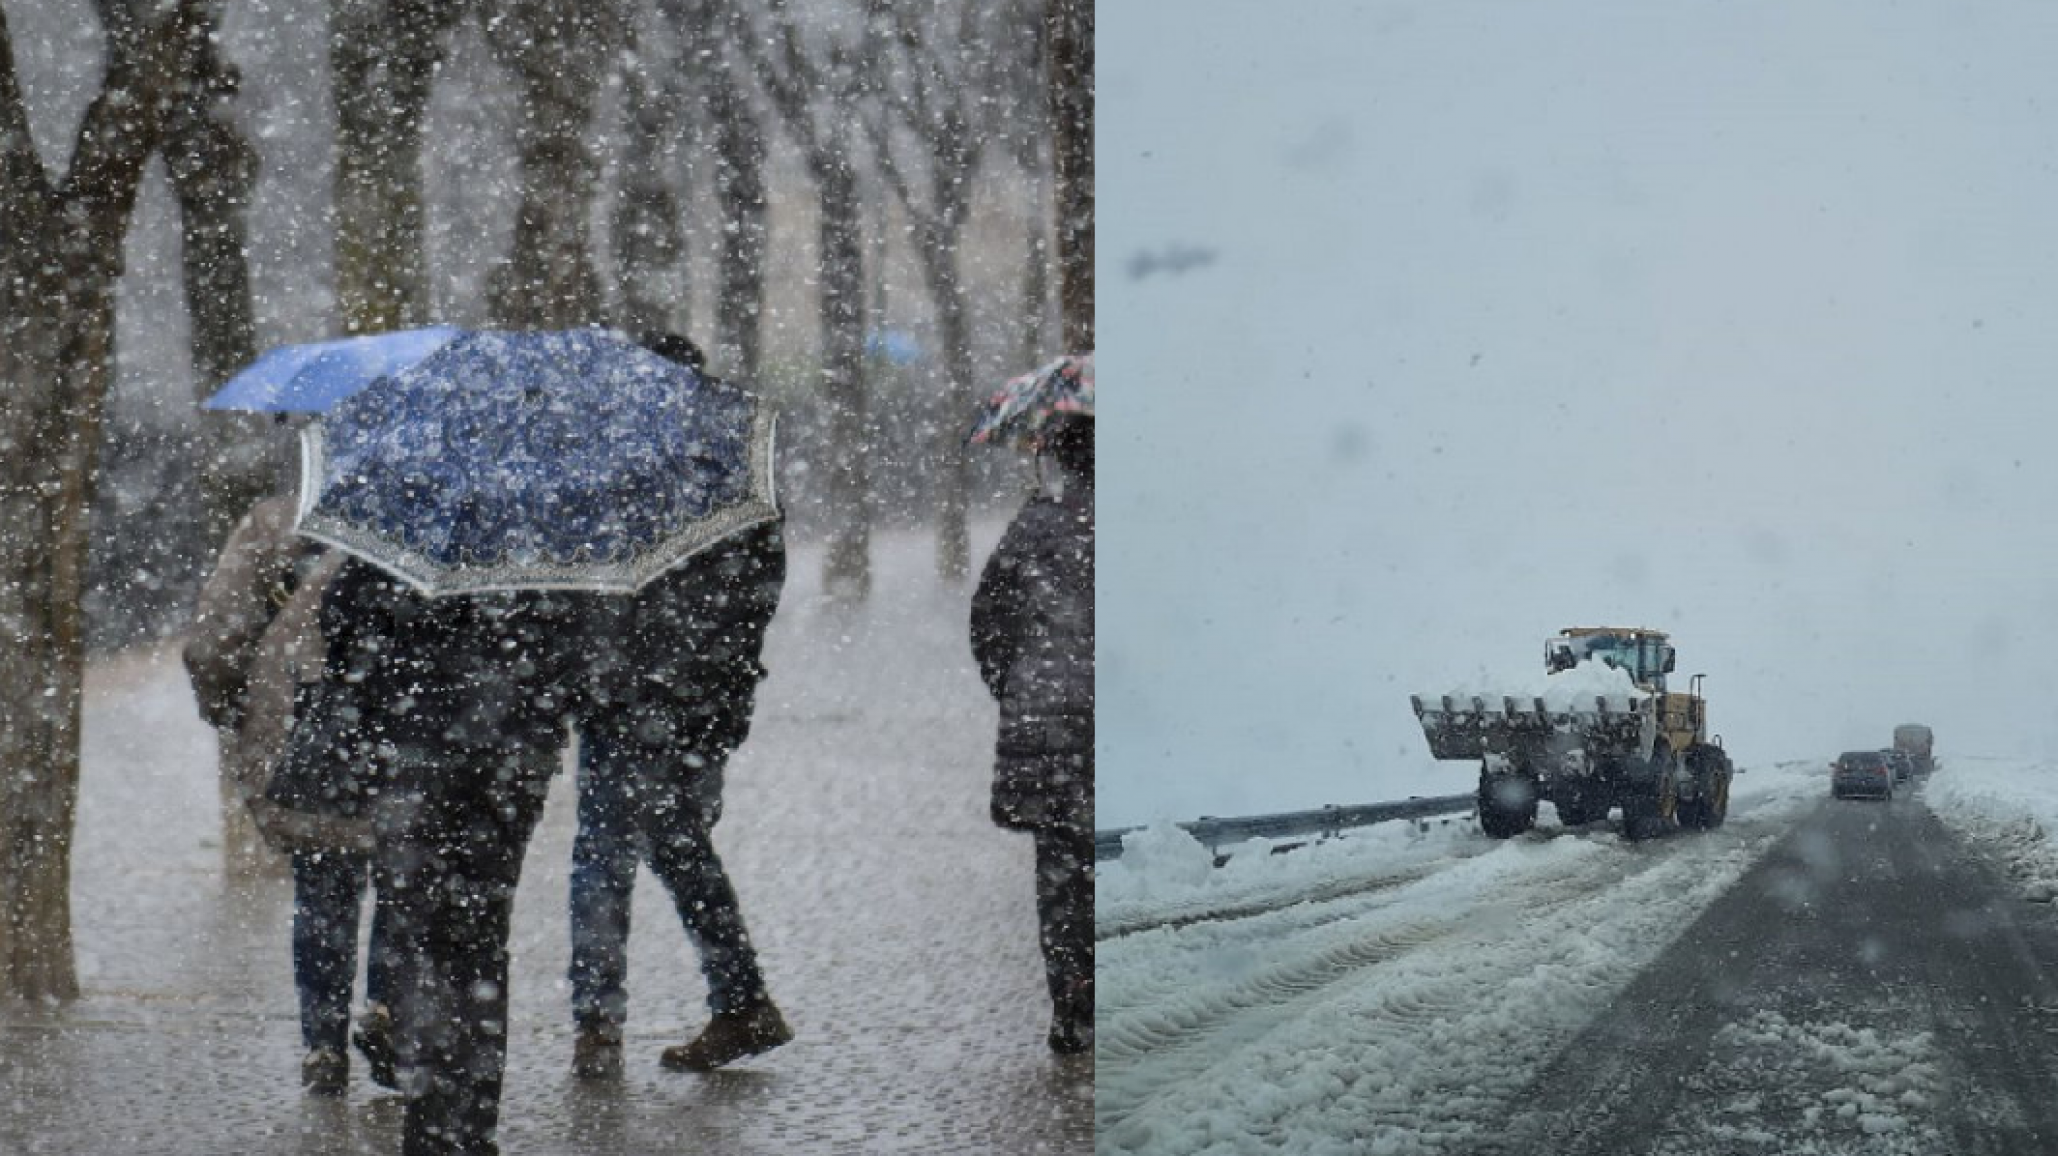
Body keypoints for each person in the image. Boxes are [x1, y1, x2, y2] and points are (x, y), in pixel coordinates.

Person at [565, 333, 792, 1079]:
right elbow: (761, 584)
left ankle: (599, 1025)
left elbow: (593, 589)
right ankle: (741, 1000)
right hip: (700, 703)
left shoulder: (616, 473)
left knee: (605, 856)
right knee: (678, 846)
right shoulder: (735, 473)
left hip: (630, 697)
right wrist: (716, 670)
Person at [182, 495, 398, 1096]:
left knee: (323, 886)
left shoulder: (279, 521)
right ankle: (388, 1006)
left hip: (304, 734)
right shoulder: (423, 517)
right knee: (406, 883)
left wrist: (232, 710)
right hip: (406, 727)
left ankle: (322, 1043)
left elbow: (211, 644)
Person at [970, 414, 1095, 1054]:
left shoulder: (1036, 524)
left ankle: (1073, 1005)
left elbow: (987, 623)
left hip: (1047, 725)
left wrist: (1020, 686)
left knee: (1062, 870)